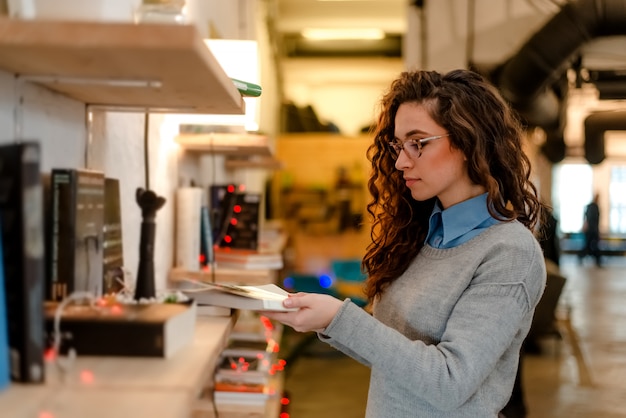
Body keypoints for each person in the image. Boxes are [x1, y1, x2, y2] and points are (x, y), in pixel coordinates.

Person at [266, 69, 547, 417]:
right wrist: (325, 321)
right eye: (399, 145)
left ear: (468, 141)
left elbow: (449, 381)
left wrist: (339, 317)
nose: (400, 161)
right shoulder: (422, 233)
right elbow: (395, 356)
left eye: (418, 143)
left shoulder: (509, 253)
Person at [581, 193, 601, 266]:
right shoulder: (591, 206)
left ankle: (598, 260)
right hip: (590, 230)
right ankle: (597, 260)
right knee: (588, 245)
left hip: (593, 230)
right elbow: (587, 218)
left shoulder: (594, 207)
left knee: (592, 245)